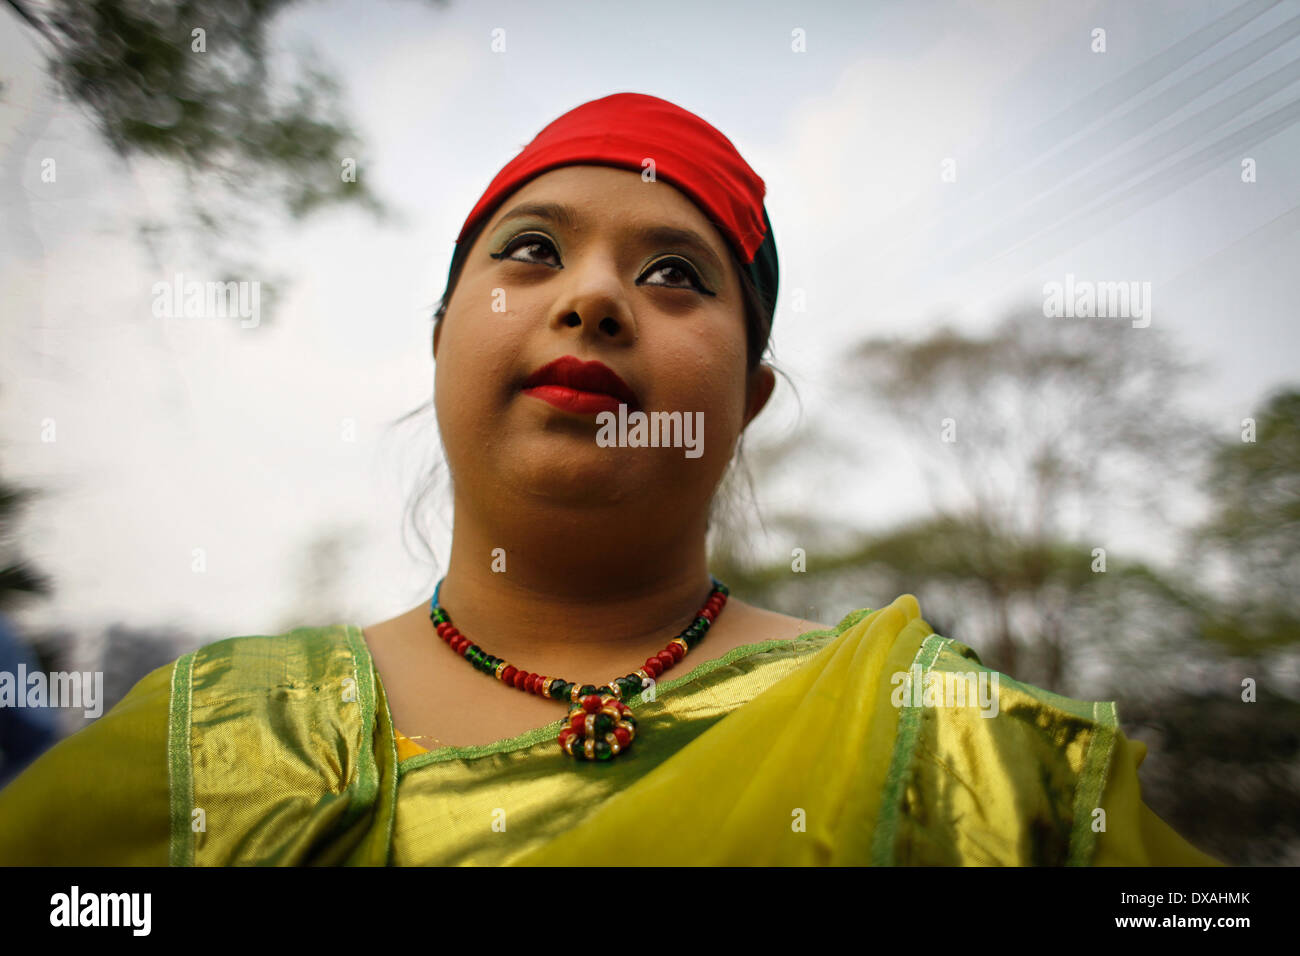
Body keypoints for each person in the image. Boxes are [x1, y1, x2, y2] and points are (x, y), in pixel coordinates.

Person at [0, 92, 1222, 866]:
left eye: (677, 274)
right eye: (530, 250)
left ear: (746, 400)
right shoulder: (216, 737)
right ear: (442, 339)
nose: (591, 296)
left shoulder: (953, 746)